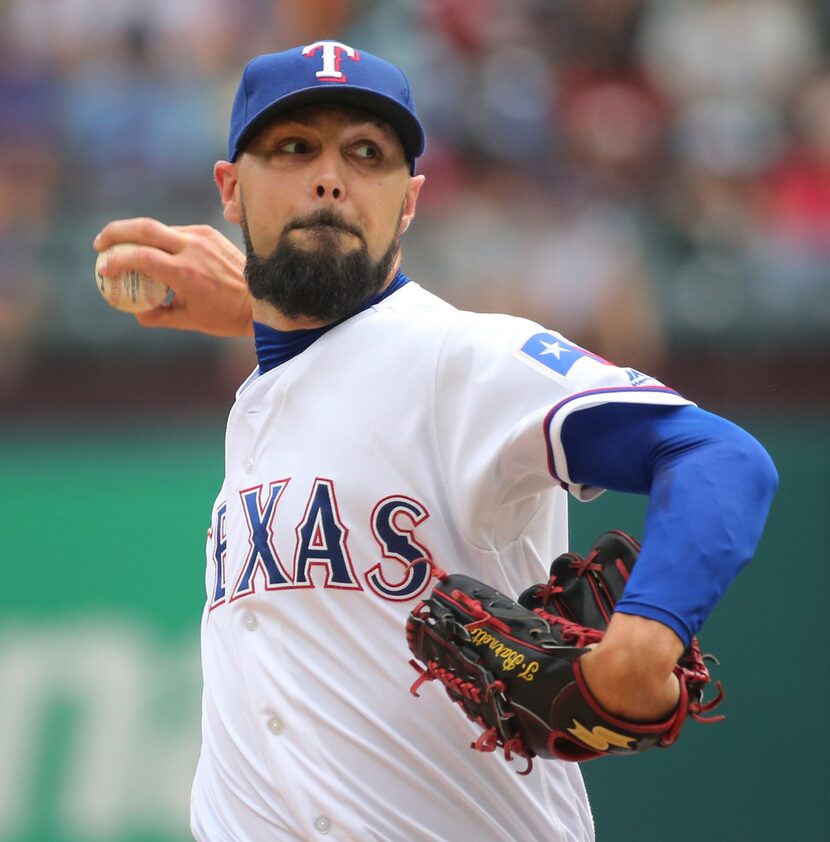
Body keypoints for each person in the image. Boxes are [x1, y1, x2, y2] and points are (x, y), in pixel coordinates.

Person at [94, 41, 778, 842]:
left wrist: (642, 639)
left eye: (366, 153)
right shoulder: (264, 392)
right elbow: (329, 363)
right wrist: (261, 310)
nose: (330, 176)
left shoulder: (460, 358)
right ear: (230, 189)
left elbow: (722, 458)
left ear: (409, 201)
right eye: (293, 147)